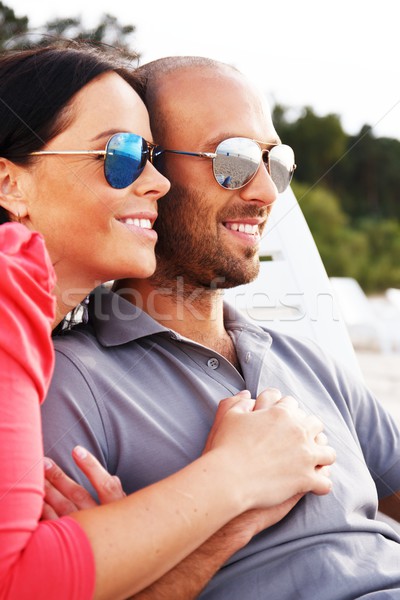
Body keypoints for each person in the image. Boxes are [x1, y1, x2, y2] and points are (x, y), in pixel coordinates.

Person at [39, 55, 400, 600]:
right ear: (147, 170)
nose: (267, 193)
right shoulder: (72, 385)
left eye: (276, 162)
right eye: (230, 159)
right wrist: (236, 508)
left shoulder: (304, 357)